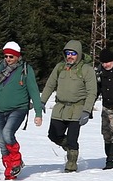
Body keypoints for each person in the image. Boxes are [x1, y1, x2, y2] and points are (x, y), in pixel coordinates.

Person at [0, 41, 45, 180]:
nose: (8, 59)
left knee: (7, 133)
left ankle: (17, 161)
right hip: (0, 110)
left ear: (18, 56)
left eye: (11, 56)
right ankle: (10, 171)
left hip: (18, 109)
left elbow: (34, 92)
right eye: (6, 56)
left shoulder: (25, 69)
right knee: (2, 142)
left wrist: (38, 113)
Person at [39, 40, 98, 172]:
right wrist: (41, 102)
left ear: (79, 54)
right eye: (68, 53)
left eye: (73, 53)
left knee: (72, 139)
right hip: (60, 108)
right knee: (53, 135)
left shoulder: (86, 69)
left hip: (77, 109)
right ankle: (70, 149)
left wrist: (86, 111)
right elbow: (50, 85)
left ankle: (71, 166)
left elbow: (92, 92)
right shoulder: (60, 67)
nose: (70, 56)